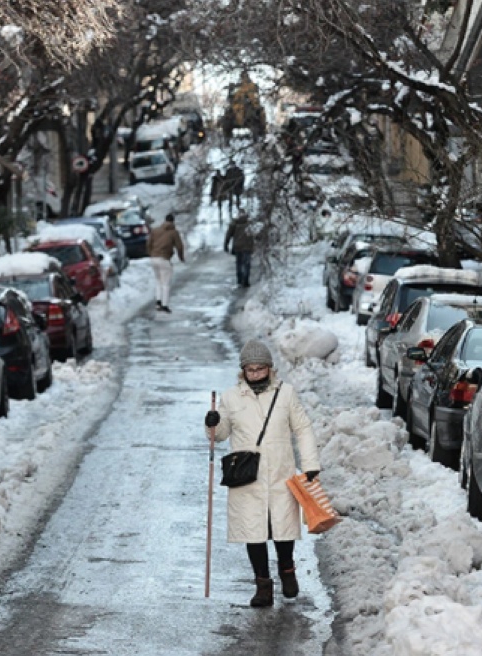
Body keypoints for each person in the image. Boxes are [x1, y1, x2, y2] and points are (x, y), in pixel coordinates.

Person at [204, 340, 320, 608]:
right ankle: (262, 586)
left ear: (270, 368)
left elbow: (302, 428)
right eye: (250, 370)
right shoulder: (232, 397)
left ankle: (287, 570)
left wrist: (310, 463)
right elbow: (219, 435)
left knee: (282, 529)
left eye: (260, 369)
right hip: (247, 475)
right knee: (253, 532)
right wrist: (212, 424)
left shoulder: (286, 393)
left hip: (280, 471)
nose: (255, 374)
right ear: (242, 371)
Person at [148, 214, 185, 312]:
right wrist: (181, 258)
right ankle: (164, 305)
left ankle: (158, 302)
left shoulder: (155, 230)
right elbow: (179, 247)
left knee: (158, 281)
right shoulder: (174, 232)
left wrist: (151, 253)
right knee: (165, 283)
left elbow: (149, 243)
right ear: (173, 221)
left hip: (153, 258)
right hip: (164, 259)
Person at [224, 209, 256, 287]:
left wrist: (226, 245)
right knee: (247, 264)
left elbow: (228, 235)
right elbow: (256, 234)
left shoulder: (234, 223)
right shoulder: (250, 223)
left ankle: (239, 280)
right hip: (247, 247)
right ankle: (246, 281)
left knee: (239, 264)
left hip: (237, 247)